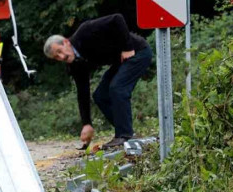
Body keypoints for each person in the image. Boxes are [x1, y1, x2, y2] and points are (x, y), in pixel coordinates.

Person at [43, 14, 152, 150]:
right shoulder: (75, 64)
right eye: (56, 57)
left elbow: (117, 19)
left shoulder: (85, 31)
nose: (61, 57)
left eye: (59, 51)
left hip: (137, 52)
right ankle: (124, 132)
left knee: (117, 88)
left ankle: (125, 135)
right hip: (121, 61)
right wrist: (86, 123)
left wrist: (127, 48)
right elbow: (82, 91)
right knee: (100, 95)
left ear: (66, 42)